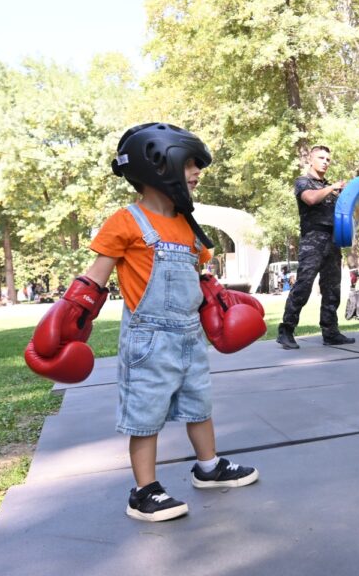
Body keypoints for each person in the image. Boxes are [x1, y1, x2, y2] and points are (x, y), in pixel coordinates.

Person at [26, 122, 259, 522]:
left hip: (190, 337)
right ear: (157, 166)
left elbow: (200, 279)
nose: (196, 173)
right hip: (148, 341)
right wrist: (69, 318)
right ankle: (144, 490)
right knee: (145, 414)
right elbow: (95, 276)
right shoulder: (126, 221)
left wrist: (221, 305)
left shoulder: (188, 225)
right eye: (188, 164)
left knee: (199, 405)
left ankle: (208, 467)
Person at [276, 145, 355, 350]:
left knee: (332, 288)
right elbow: (310, 199)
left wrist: (347, 194)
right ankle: (286, 331)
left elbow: (345, 214)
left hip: (332, 239)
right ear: (311, 160)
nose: (325, 162)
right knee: (303, 285)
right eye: (321, 158)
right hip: (313, 239)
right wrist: (332, 188)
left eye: (328, 159)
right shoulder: (303, 182)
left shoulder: (330, 187)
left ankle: (331, 332)